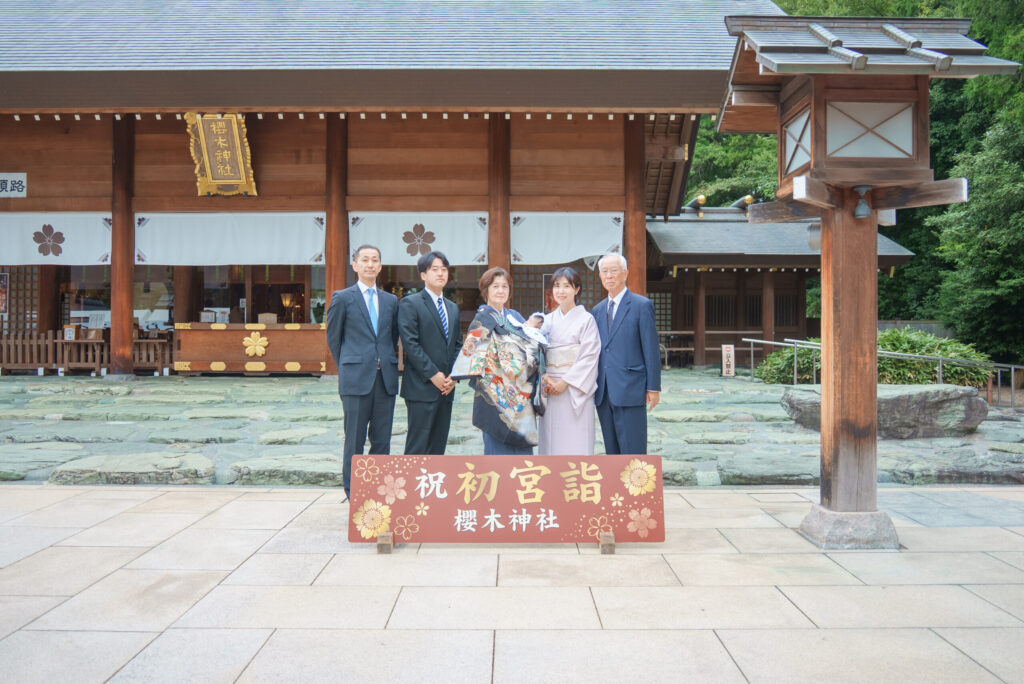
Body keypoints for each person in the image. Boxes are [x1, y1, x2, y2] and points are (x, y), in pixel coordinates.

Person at [325, 244, 399, 498]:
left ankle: (378, 492)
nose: (370, 264)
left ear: (380, 266)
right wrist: (350, 365)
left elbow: (392, 338)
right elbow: (334, 339)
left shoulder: (391, 301)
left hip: (385, 379)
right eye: (364, 260)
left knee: (382, 440)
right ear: (355, 265)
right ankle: (354, 493)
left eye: (375, 260)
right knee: (354, 440)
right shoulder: (343, 298)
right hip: (355, 380)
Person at [452, 267, 543, 455]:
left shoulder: (515, 317)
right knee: (498, 458)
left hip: (521, 394)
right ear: (486, 291)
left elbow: (531, 345)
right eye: (495, 286)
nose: (501, 291)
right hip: (495, 395)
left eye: (505, 286)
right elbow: (472, 357)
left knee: (523, 460)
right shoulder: (482, 319)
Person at [591, 253, 661, 455]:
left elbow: (651, 348)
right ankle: (615, 487)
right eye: (604, 272)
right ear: (600, 277)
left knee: (633, 449)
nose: (609, 276)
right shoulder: (597, 310)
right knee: (611, 451)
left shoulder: (641, 305)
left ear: (625, 273)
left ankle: (636, 487)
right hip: (604, 390)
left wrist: (653, 387)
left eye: (614, 271)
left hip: (631, 387)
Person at [397, 250, 462, 455]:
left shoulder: (452, 308)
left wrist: (454, 376)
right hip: (421, 387)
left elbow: (458, 345)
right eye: (435, 269)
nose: (441, 273)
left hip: (446, 389)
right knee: (418, 446)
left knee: (438, 447)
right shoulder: (411, 303)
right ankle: (410, 487)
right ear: (423, 275)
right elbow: (410, 343)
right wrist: (433, 374)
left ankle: (433, 486)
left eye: (444, 269)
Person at [537, 266, 601, 455]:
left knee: (575, 442)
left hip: (574, 388)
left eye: (567, 286)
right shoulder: (546, 320)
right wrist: (545, 378)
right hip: (550, 389)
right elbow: (537, 354)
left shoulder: (586, 320)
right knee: (551, 443)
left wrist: (565, 382)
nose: (561, 291)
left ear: (577, 289)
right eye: (557, 286)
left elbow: (589, 357)